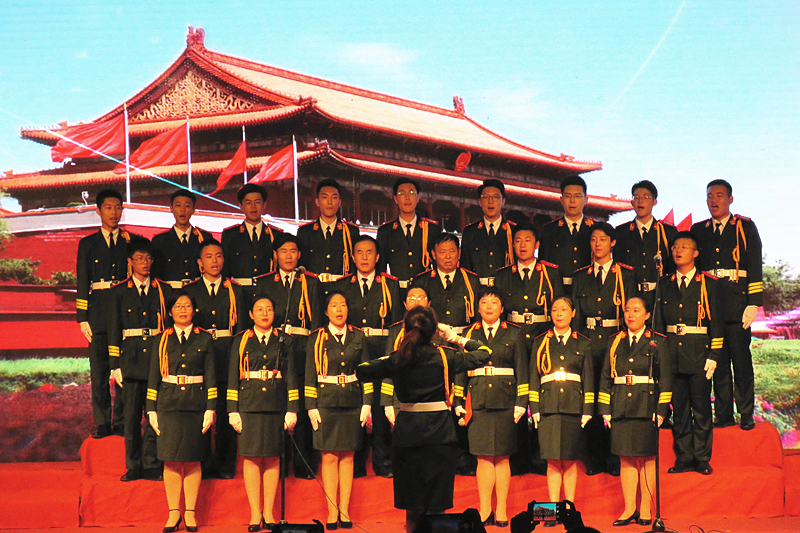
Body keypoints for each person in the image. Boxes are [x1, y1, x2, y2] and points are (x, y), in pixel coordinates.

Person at [355, 306, 491, 533]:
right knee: (437, 507)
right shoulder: (445, 355)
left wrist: (392, 357)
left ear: (406, 329)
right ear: (434, 331)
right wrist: (456, 338)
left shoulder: (399, 358)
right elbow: (484, 353)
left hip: (408, 436)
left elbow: (362, 370)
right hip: (439, 435)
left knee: (412, 506)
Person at [691, 179, 762, 431]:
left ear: (730, 199)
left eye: (719, 195)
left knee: (741, 361)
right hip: (710, 306)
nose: (713, 200)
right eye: (710, 196)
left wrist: (753, 303)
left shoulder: (745, 226)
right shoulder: (698, 230)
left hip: (738, 304)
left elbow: (754, 264)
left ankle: (746, 413)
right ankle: (723, 415)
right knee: (718, 362)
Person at [454, 287, 528, 527]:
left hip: (506, 400)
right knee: (483, 458)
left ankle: (502, 509)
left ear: (502, 308)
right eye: (484, 302)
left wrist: (522, 403)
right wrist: (458, 401)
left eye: (494, 302)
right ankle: (485, 509)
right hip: (477, 401)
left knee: (502, 457)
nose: (488, 307)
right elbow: (460, 370)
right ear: (478, 307)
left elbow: (522, 369)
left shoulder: (514, 333)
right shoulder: (468, 334)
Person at [493, 222, 563, 476]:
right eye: (518, 241)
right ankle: (519, 457)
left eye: (527, 240)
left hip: (542, 338)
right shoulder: (503, 275)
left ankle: (540, 456)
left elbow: (559, 307)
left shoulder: (551, 273)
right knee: (516, 395)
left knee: (542, 396)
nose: (522, 245)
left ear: (537, 245)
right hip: (513, 339)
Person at [146, 291, 216, 533]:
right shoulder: (161, 339)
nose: (183, 310)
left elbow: (211, 376)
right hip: (168, 404)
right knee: (171, 459)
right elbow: (153, 376)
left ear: (194, 310)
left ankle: (191, 513)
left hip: (195, 404)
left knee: (193, 459)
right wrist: (151, 410)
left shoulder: (204, 339)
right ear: (170, 311)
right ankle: (174, 512)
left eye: (187, 306)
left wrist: (210, 408)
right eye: (178, 306)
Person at [411, 232, 481, 475]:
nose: (448, 256)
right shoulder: (423, 281)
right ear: (433, 254)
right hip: (434, 347)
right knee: (438, 400)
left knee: (462, 400)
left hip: (461, 345)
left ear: (459, 253)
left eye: (452, 251)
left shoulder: (472, 280)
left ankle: (464, 457)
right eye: (442, 252)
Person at [333, 235, 402, 478]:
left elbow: (396, 323)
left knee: (381, 407)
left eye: (369, 252)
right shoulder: (343, 284)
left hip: (382, 349)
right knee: (357, 405)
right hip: (352, 351)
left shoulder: (390, 284)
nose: (364, 257)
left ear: (378, 257)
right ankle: (358, 461)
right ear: (352, 257)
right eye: (359, 253)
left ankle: (382, 461)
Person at [228, 295, 299, 532]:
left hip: (275, 404)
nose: (264, 313)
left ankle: (268, 512)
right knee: (251, 458)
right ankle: (254, 513)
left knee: (272, 458)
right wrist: (232, 410)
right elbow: (232, 376)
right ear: (251, 314)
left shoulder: (284, 340)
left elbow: (291, 376)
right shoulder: (241, 340)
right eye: (259, 309)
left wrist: (292, 409)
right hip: (249, 405)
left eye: (268, 309)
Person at [76, 189, 144, 438]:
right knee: (100, 371)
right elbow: (83, 281)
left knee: (123, 368)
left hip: (125, 312)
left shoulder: (132, 241)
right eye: (108, 207)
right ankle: (103, 421)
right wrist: (82, 318)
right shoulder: (87, 244)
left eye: (118, 207)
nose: (114, 213)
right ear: (98, 211)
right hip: (98, 313)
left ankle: (123, 421)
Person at [599, 296, 671, 527]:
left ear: (647, 315)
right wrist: (605, 409)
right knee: (626, 458)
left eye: (636, 310)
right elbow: (605, 377)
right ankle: (629, 508)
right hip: (620, 404)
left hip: (646, 405)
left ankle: (645, 508)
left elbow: (666, 379)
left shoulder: (657, 341)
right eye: (627, 310)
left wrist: (661, 410)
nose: (631, 315)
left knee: (647, 457)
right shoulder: (615, 341)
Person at [254, 233, 321, 479]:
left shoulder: (310, 282)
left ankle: (304, 464)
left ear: (299, 254)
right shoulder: (264, 283)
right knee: (277, 406)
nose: (289, 256)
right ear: (275, 255)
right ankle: (278, 464)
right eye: (283, 251)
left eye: (293, 251)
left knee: (300, 407)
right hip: (274, 351)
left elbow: (316, 323)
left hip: (302, 350)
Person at [571, 222, 635, 476]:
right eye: (593, 239)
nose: (597, 244)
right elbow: (576, 316)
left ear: (613, 242)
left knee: (614, 401)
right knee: (591, 400)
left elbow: (631, 312)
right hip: (588, 343)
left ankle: (614, 458)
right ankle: (595, 458)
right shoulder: (580, 276)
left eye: (603, 239)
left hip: (614, 342)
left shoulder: (626, 275)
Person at [656, 232, 723, 476]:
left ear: (695, 253)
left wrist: (714, 355)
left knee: (702, 408)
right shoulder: (664, 284)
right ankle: (684, 457)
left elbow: (717, 324)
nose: (678, 250)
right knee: (680, 408)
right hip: (672, 353)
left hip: (699, 354)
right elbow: (659, 325)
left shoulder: (709, 283)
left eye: (684, 247)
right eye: (675, 246)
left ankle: (702, 458)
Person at [305, 292, 372, 529]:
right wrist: (311, 406)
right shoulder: (316, 338)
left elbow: (366, 372)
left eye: (343, 305)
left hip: (352, 402)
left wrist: (367, 403)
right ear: (326, 311)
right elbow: (310, 375)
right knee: (329, 457)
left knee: (348, 457)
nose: (339, 309)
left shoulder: (358, 336)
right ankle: (332, 510)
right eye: (334, 306)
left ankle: (345, 510)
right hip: (326, 402)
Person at [107, 241, 170, 482]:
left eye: (148, 258)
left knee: (154, 414)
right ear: (130, 262)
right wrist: (115, 364)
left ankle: (152, 464)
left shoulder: (163, 290)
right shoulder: (119, 291)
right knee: (131, 417)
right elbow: (114, 329)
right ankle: (133, 465)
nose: (145, 263)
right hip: (130, 362)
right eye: (140, 258)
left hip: (156, 360)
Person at [183, 239, 245, 479]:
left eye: (218, 256)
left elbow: (241, 331)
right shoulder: (190, 291)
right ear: (200, 263)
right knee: (202, 412)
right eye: (208, 257)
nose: (214, 261)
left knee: (226, 411)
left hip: (227, 356)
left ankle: (225, 465)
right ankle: (202, 463)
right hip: (200, 358)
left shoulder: (235, 290)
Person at [529, 297, 593, 510]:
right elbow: (533, 377)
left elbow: (588, 378)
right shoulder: (541, 341)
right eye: (555, 310)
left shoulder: (583, 342)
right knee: (552, 460)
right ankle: (552, 509)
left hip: (573, 405)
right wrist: (534, 408)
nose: (558, 313)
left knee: (570, 458)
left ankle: (569, 508)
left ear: (573, 313)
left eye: (564, 309)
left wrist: (587, 409)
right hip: (548, 406)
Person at [613, 180, 677, 310]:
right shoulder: (621, 232)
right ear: (632, 202)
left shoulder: (667, 232)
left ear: (654, 202)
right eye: (636, 197)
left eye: (646, 197)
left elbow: (672, 267)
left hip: (659, 298)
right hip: (629, 296)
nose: (640, 201)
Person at [376, 178, 441, 292]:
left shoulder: (431, 229)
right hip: (396, 292)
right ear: (395, 199)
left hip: (424, 291)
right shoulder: (385, 231)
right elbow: (381, 268)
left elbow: (438, 266)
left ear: (418, 198)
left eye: (411, 193)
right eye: (402, 193)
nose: (407, 197)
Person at [221, 183, 282, 301]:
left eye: (257, 202)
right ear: (241, 206)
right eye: (248, 203)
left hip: (268, 295)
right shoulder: (230, 235)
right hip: (239, 295)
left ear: (264, 205)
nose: (253, 206)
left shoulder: (275, 235)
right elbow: (225, 271)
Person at [296, 178, 360, 283]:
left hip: (341, 289)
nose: (329, 202)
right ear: (317, 201)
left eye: (334, 198)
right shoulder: (305, 232)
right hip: (313, 289)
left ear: (339, 202)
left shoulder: (351, 232)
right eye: (325, 197)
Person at [538, 176, 595, 289]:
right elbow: (543, 264)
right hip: (557, 289)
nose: (572, 201)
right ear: (561, 200)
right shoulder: (549, 230)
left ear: (586, 200)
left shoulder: (594, 229)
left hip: (588, 288)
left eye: (577, 196)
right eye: (568, 196)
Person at [151, 189, 214, 288]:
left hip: (198, 292)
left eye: (187, 206)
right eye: (178, 205)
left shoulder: (205, 238)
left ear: (193, 210)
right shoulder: (159, 241)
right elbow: (156, 275)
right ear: (171, 208)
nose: (182, 210)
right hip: (170, 293)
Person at [460, 179, 515, 286]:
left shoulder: (513, 231)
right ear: (480, 202)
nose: (490, 201)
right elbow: (465, 267)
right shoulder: (470, 232)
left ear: (503, 201)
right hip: (478, 290)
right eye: (485, 197)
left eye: (495, 197)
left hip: (505, 289)